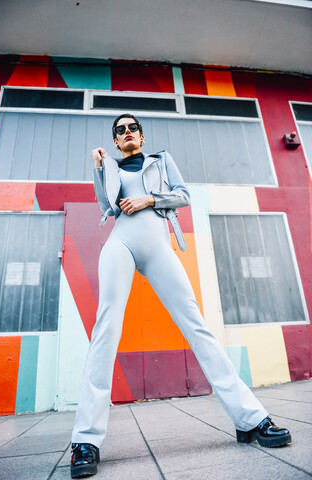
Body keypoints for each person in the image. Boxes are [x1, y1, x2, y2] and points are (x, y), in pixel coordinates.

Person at [70, 114, 291, 478]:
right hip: (120, 244)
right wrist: (98, 169)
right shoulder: (109, 165)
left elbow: (184, 195)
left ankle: (251, 419)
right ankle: (85, 441)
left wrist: (147, 199)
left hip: (159, 245)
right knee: (105, 329)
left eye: (131, 128)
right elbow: (106, 207)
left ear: (141, 136)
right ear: (115, 141)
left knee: (197, 327)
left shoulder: (161, 160)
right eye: (119, 131)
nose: (126, 133)